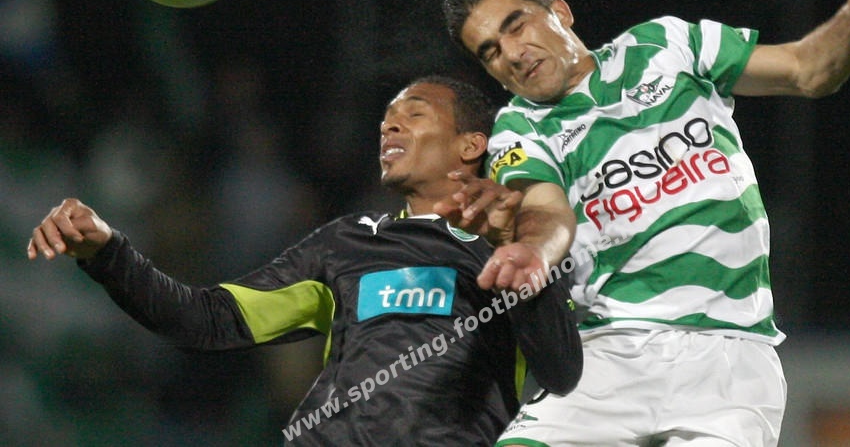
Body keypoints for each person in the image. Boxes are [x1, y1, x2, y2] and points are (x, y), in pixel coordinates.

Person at [440, 0, 850, 446]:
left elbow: (808, 70)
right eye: (490, 51)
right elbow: (545, 209)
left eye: (517, 26)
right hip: (609, 355)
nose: (512, 53)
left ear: (560, 12)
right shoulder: (519, 128)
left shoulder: (665, 44)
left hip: (730, 359)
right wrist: (533, 251)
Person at [28, 76, 583, 446]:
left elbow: (561, 373)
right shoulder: (347, 244)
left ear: (470, 145)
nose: (389, 126)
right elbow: (206, 319)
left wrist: (518, 265)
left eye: (413, 114)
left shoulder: (522, 243)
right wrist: (108, 251)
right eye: (387, 118)